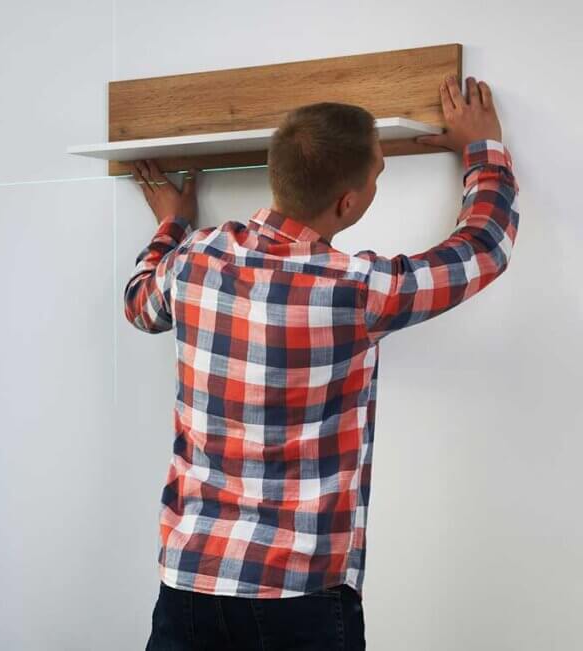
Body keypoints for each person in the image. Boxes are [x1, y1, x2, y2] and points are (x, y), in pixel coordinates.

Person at [125, 75, 519, 650]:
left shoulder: (194, 261)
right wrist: (483, 150)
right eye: (378, 172)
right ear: (348, 202)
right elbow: (483, 248)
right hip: (300, 597)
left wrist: (170, 225)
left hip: (190, 584)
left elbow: (139, 303)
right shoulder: (357, 291)